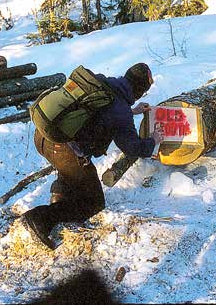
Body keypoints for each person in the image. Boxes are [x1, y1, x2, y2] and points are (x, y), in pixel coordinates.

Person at [21, 63, 165, 249]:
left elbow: (100, 112)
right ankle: (41, 218)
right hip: (64, 150)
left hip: (44, 135)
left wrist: (131, 111)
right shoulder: (120, 111)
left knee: (72, 171)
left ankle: (59, 197)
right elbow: (133, 148)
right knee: (94, 202)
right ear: (139, 91)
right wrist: (153, 140)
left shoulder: (102, 83)